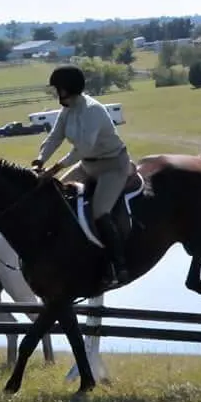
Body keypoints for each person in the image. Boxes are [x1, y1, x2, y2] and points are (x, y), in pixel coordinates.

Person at [31, 64, 132, 287]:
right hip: (87, 166)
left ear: (67, 88)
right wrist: (40, 159)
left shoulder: (92, 110)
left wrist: (54, 169)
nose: (56, 93)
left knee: (99, 212)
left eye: (58, 88)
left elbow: (84, 148)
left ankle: (118, 265)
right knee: (56, 196)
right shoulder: (68, 109)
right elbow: (55, 137)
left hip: (112, 166)